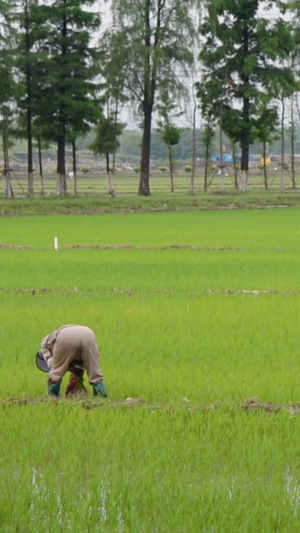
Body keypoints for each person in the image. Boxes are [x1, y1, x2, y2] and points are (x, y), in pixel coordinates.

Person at [37, 324, 108, 398]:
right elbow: (77, 369)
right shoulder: (58, 346)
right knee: (95, 372)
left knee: (56, 373)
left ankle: (53, 398)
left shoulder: (44, 345)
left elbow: (53, 365)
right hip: (88, 334)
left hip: (66, 337)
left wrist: (54, 373)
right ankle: (102, 398)